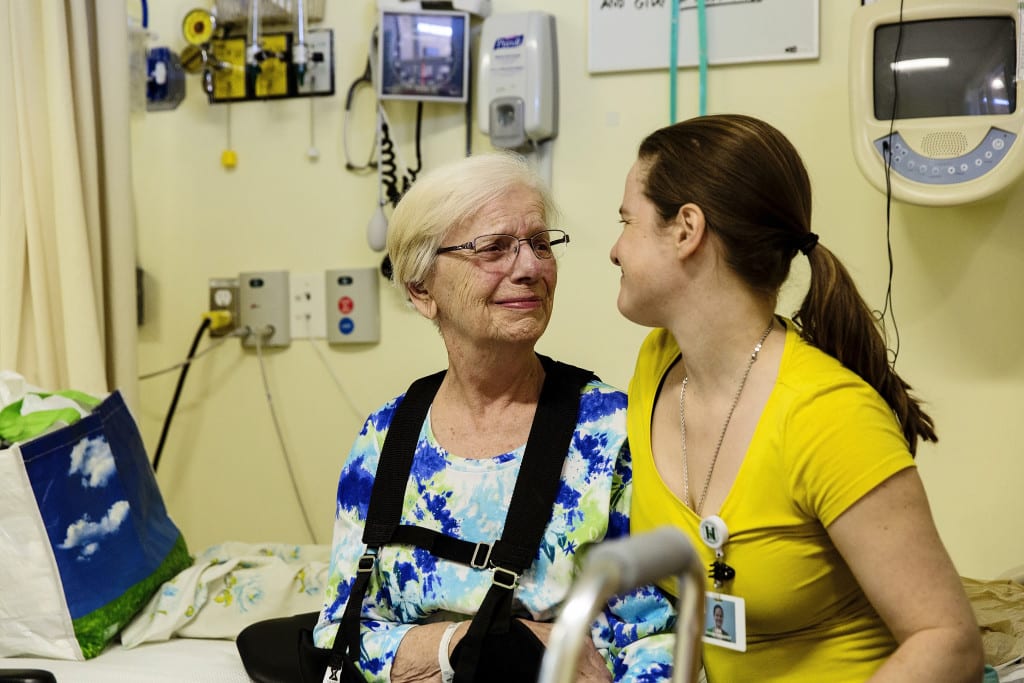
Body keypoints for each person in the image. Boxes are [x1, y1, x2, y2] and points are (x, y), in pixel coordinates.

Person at [610, 114, 984, 682]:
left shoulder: (827, 415)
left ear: (686, 229)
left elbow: (949, 643)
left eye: (626, 222)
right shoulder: (656, 364)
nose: (614, 250)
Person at [311, 152, 677, 683]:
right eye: (495, 248)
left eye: (540, 244)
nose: (529, 268)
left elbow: (654, 637)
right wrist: (465, 645)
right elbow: (340, 631)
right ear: (421, 290)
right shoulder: (385, 438)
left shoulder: (609, 431)